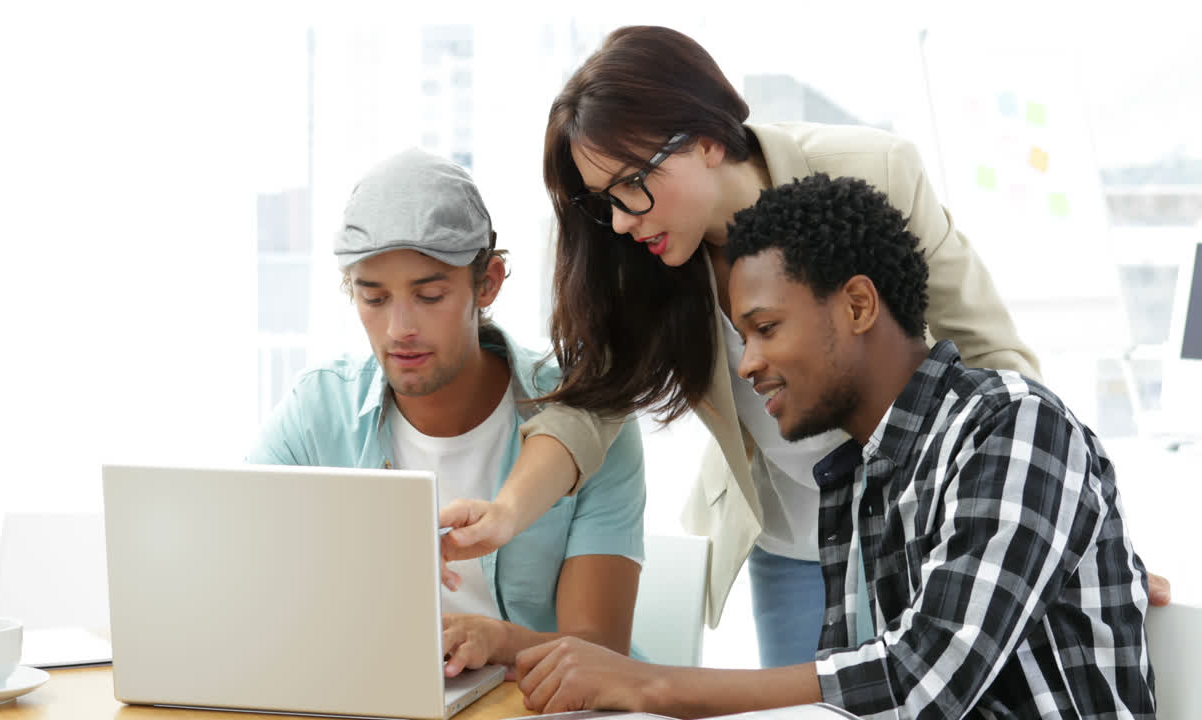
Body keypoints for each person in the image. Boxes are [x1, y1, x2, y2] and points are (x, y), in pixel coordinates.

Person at [440, 23, 1169, 670]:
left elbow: (994, 358)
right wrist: (505, 513)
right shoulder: (643, 258)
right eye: (602, 202)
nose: (622, 222)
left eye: (632, 186)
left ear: (706, 137)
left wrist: (1071, 529)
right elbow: (589, 410)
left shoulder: (872, 172)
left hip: (919, 517)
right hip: (787, 535)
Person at [512, 173, 1155, 719]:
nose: (747, 364)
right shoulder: (854, 478)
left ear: (856, 305)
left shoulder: (1013, 423)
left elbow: (917, 684)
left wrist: (646, 683)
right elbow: (843, 703)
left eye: (765, 329)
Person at [246, 148, 647, 677]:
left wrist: (499, 641)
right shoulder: (318, 409)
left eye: (430, 295)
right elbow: (239, 570)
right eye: (374, 299)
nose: (398, 329)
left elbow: (603, 651)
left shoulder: (588, 412)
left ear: (488, 283)